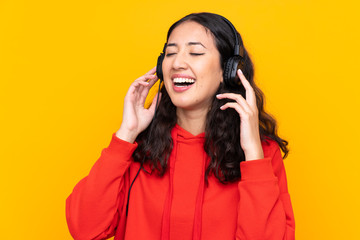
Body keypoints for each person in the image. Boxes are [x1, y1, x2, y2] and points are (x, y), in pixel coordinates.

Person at [66, 12, 295, 240]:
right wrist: (126, 134)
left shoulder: (261, 155)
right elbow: (85, 230)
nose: (177, 63)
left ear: (228, 70)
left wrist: (253, 155)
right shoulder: (136, 148)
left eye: (195, 52)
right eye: (170, 53)